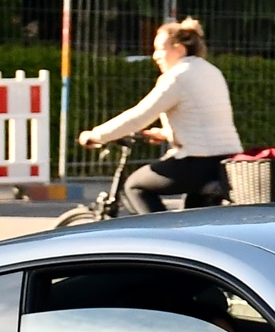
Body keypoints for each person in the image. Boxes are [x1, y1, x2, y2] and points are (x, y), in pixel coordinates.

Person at [77, 19, 244, 213]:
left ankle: (162, 237)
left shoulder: (177, 76)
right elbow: (204, 121)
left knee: (134, 186)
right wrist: (166, 134)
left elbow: (138, 117)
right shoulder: (211, 70)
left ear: (179, 49)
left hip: (197, 162)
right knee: (193, 219)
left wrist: (96, 134)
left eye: (160, 49)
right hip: (225, 161)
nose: (155, 56)